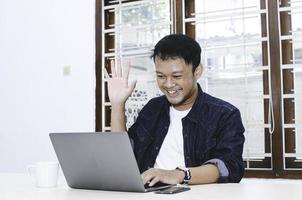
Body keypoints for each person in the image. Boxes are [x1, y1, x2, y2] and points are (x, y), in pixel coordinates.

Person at [105, 34, 245, 186]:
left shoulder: (225, 114)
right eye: (161, 76)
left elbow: (229, 167)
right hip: (148, 194)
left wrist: (179, 175)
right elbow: (122, 156)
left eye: (177, 76)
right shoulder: (153, 108)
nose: (168, 84)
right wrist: (118, 105)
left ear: (197, 72)